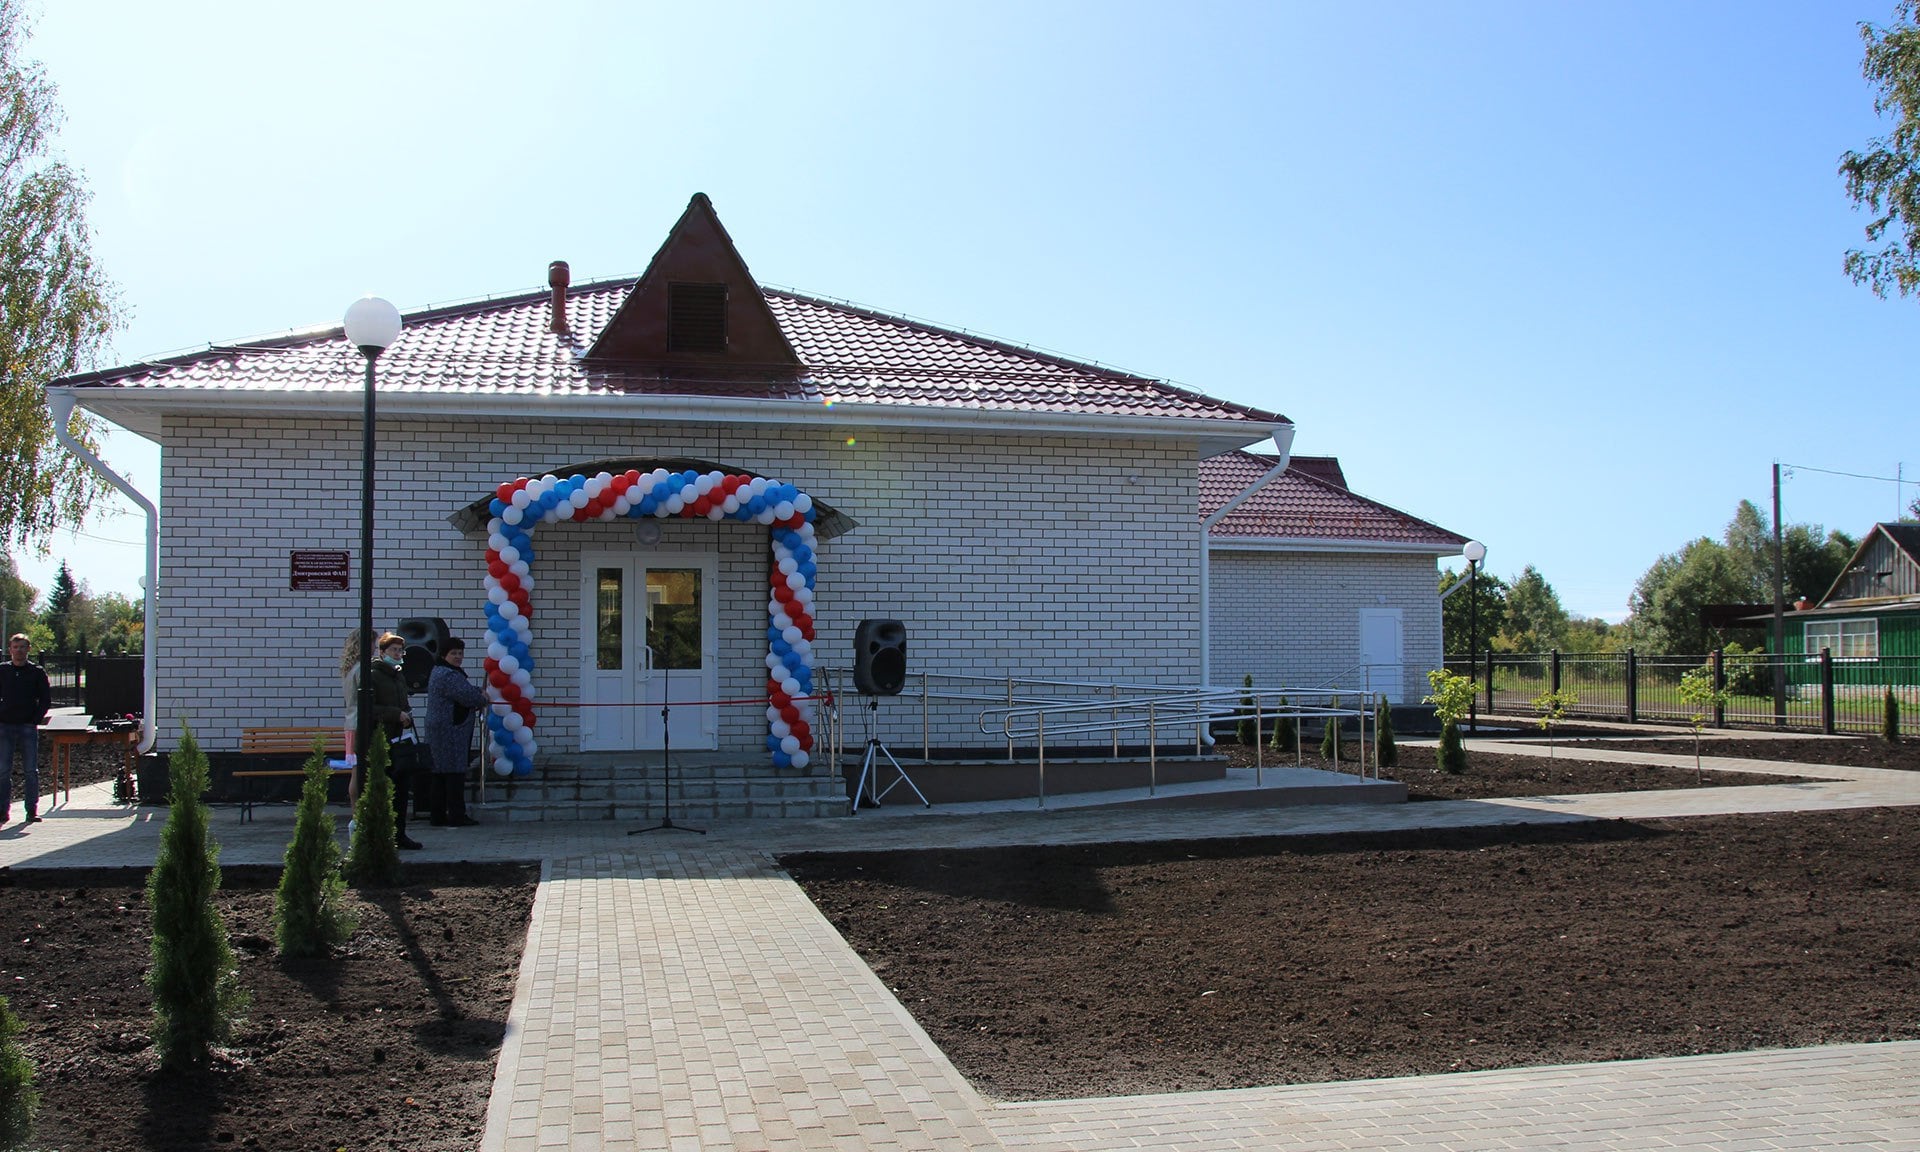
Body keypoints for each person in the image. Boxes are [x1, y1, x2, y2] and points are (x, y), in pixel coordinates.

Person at [341, 630, 423, 849]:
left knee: (359, 774)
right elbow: (366, 704)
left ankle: (361, 820)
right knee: (361, 775)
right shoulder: (363, 670)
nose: (375, 648)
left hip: (355, 724)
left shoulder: (353, 668)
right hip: (360, 727)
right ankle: (359, 820)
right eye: (373, 643)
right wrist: (395, 714)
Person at [425, 636, 488, 826]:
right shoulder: (448, 675)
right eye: (454, 653)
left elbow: (464, 690)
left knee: (440, 774)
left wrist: (475, 691)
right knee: (454, 774)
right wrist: (482, 697)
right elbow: (469, 697)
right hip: (450, 730)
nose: (458, 657)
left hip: (442, 729)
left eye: (460, 653)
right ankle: (456, 815)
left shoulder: (440, 671)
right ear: (444, 655)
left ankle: (437, 816)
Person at [0, 634, 51, 827]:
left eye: (22, 647)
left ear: (28, 649)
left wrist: (34, 720)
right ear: (10, 650)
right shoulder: (3, 670)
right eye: (15, 647)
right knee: (3, 771)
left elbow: (45, 699)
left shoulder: (36, 672)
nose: (19, 650)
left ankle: (31, 811)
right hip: (4, 726)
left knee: (31, 770)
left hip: (27, 726)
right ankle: (2, 812)